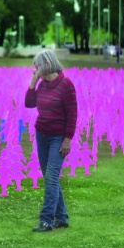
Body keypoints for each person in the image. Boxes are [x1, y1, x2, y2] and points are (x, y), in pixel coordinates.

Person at [25, 49, 77, 232]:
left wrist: (67, 140)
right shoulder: (43, 84)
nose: (35, 69)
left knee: (51, 177)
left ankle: (46, 220)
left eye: (37, 66)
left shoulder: (66, 85)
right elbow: (29, 103)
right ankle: (62, 218)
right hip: (42, 135)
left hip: (58, 138)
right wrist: (33, 82)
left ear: (47, 65)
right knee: (50, 177)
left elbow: (72, 115)